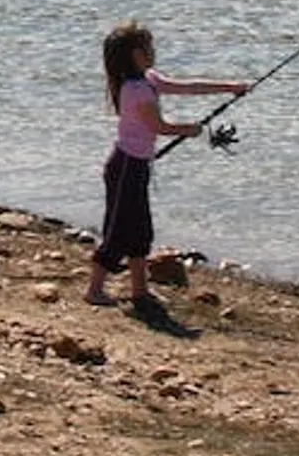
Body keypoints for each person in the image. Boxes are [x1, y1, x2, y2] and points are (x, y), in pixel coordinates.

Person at [87, 19, 247, 313]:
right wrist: (189, 130)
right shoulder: (137, 90)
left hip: (137, 166)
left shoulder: (149, 79)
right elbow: (157, 126)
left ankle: (140, 291)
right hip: (125, 168)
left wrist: (230, 87)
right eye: (149, 47)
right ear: (136, 54)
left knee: (140, 230)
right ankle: (94, 290)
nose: (153, 51)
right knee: (118, 230)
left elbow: (187, 87)